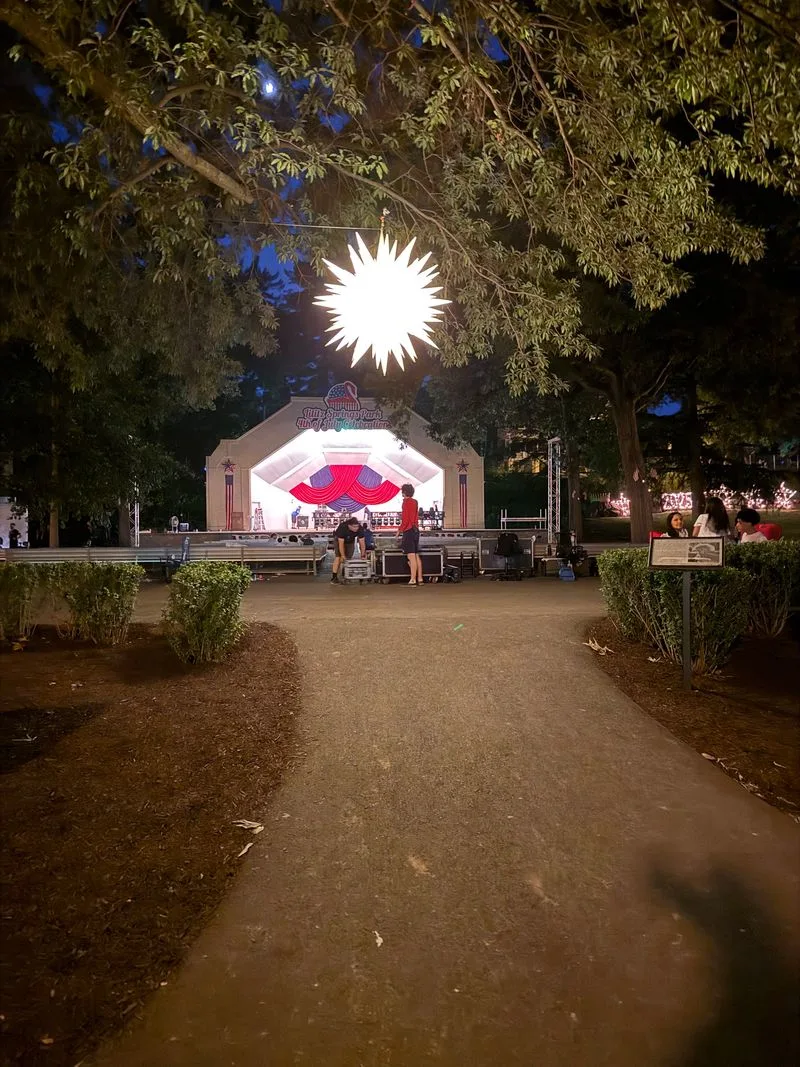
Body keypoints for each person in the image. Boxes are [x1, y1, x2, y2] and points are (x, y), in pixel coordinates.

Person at [398, 483, 422, 586]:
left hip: (408, 531)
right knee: (416, 555)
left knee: (411, 556)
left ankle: (413, 579)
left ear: (404, 492)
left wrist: (400, 530)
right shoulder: (415, 502)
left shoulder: (406, 502)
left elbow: (405, 519)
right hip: (416, 530)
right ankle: (420, 578)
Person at [331, 516, 366, 583]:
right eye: (354, 527)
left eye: (357, 526)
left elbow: (362, 543)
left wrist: (363, 555)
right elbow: (341, 544)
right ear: (349, 526)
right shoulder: (342, 527)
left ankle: (345, 575)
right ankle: (334, 577)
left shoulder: (360, 529)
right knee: (338, 557)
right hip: (339, 540)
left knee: (348, 558)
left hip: (350, 541)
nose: (356, 528)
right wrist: (343, 555)